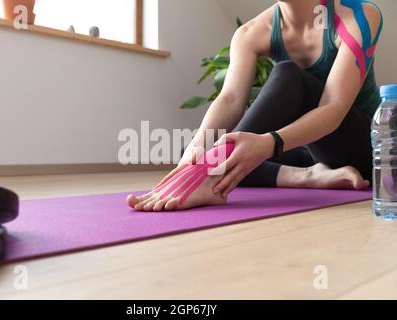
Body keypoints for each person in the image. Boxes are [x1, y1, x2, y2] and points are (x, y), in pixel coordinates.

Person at [127, 0, 383, 212]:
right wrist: (196, 153)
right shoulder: (252, 32)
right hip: (306, 149)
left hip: (363, 150)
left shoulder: (358, 16)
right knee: (195, 147)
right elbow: (230, 99)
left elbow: (334, 108)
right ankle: (307, 176)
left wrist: (265, 145)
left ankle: (213, 179)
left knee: (288, 75)